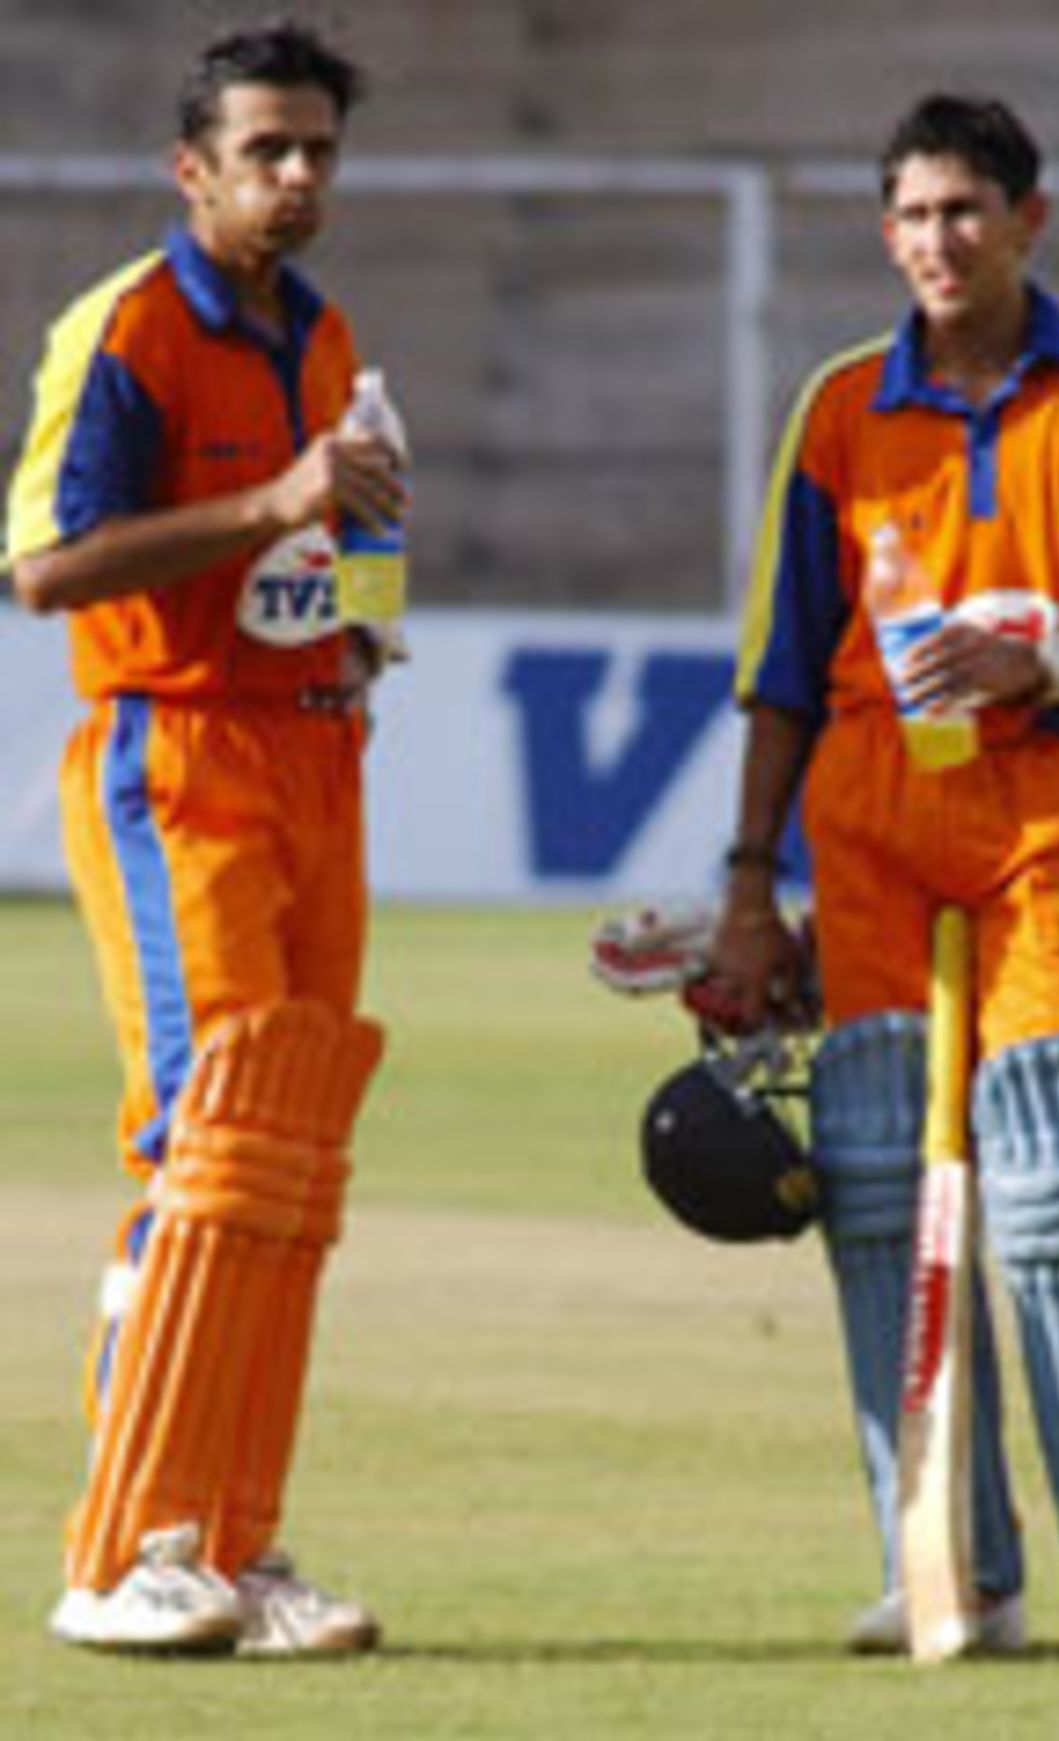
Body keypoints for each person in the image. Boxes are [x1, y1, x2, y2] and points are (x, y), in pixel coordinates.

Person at [707, 91, 1059, 1664]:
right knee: (882, 1197)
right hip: (872, 828)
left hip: (1056, 818)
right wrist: (754, 886)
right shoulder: (837, 410)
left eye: (966, 210)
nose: (937, 241)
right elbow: (780, 676)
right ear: (884, 233)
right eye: (911, 215)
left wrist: (1056, 663)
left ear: (1030, 219)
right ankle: (948, 1561)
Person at [6, 22, 407, 1656]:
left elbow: (356, 519)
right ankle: (131, 1544)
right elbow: (43, 569)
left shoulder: (323, 336)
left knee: (293, 1166)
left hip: (318, 761)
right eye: (266, 151)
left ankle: (234, 1545)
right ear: (197, 169)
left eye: (317, 149)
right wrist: (272, 506)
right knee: (209, 1143)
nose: (298, 175)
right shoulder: (128, 327)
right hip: (181, 763)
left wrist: (368, 621)